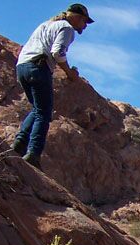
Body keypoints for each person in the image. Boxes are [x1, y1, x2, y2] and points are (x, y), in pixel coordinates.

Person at [12, 4, 94, 170]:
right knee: (44, 112)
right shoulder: (67, 28)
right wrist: (69, 72)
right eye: (84, 21)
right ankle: (33, 153)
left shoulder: (46, 25)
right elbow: (58, 52)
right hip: (38, 67)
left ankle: (19, 144)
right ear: (77, 17)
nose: (84, 26)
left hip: (22, 67)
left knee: (37, 109)